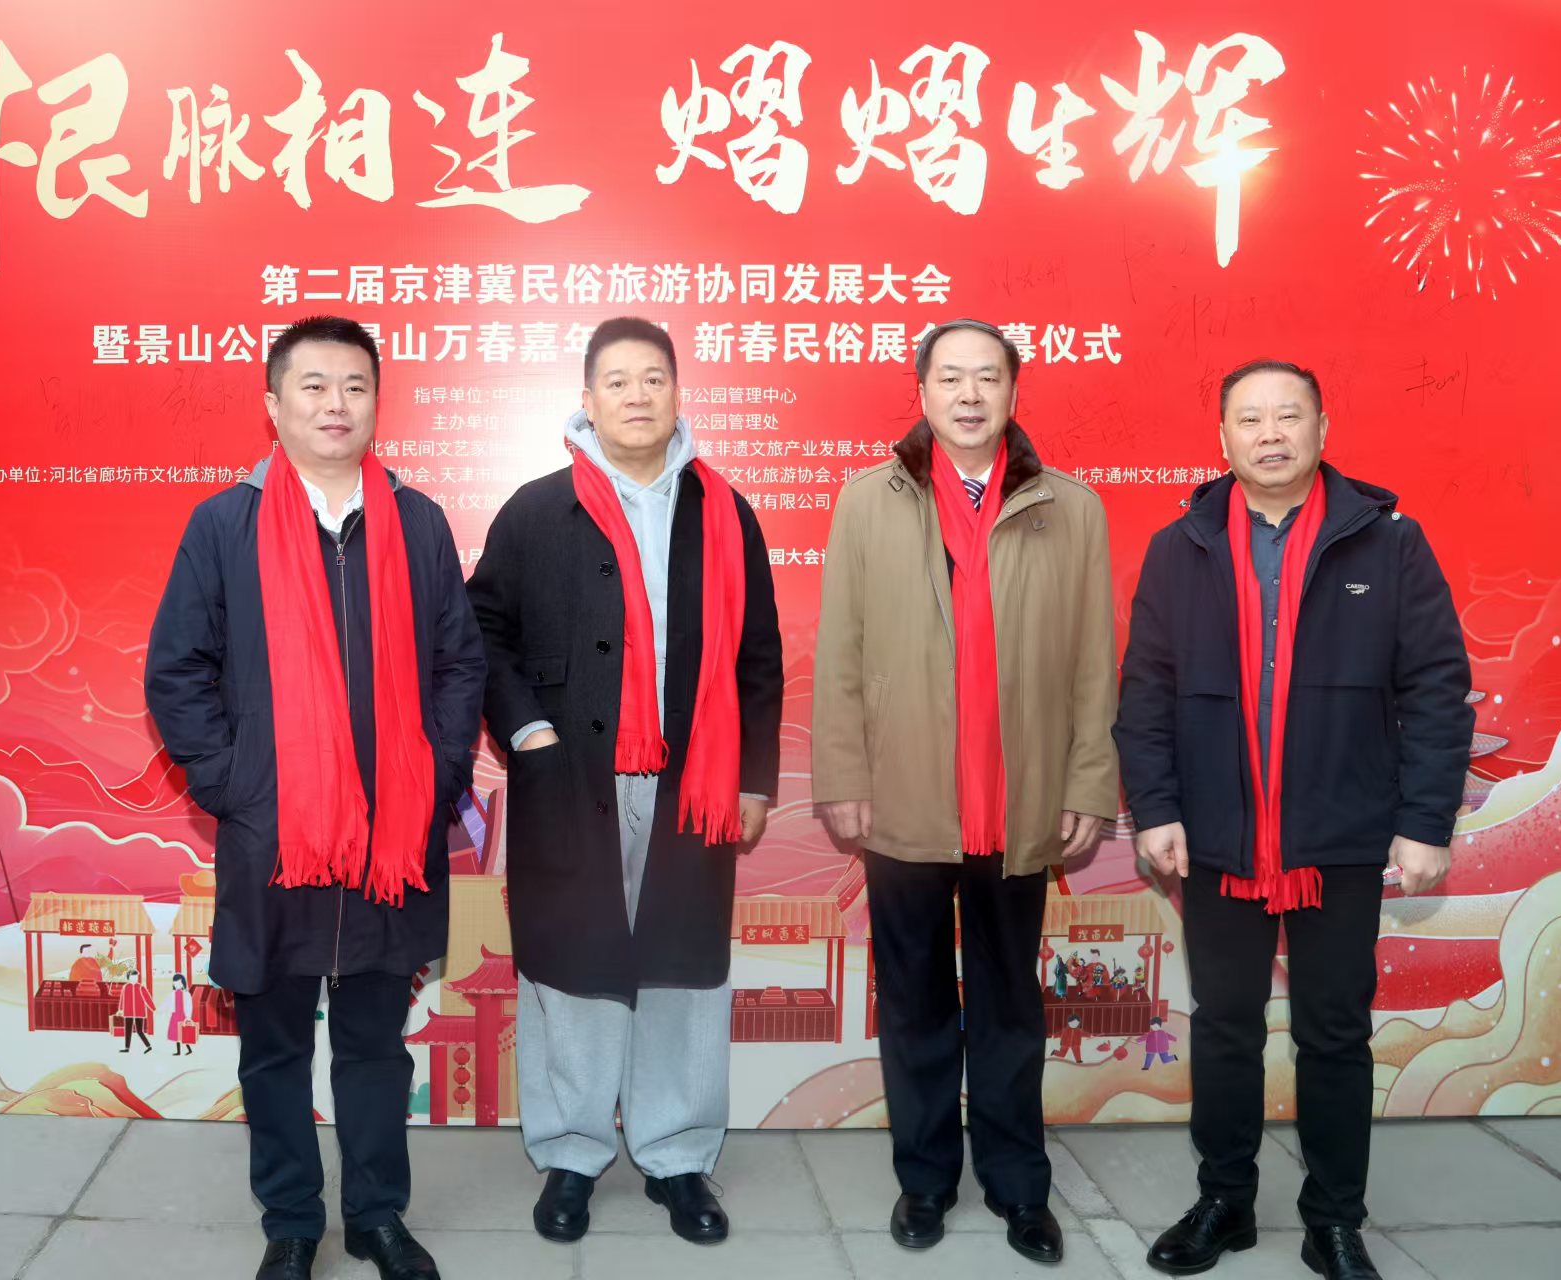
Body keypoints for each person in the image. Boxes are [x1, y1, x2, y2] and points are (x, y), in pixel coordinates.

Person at [1113, 359, 1472, 1280]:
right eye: (1250, 419)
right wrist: (1155, 808)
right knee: (1224, 1024)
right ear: (1222, 438)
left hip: (1339, 836)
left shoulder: (1388, 544)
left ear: (1321, 428)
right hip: (1217, 837)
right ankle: (1225, 1201)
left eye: (1288, 416)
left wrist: (1426, 821)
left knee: (1335, 1033)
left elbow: (1437, 688)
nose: (1269, 435)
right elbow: (1145, 691)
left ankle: (1334, 1220)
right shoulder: (1181, 546)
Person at [145, 316, 487, 1280]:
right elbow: (177, 670)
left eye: (355, 386)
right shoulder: (225, 525)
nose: (336, 405)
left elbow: (460, 662)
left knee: (377, 1047)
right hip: (274, 839)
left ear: (377, 402)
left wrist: (437, 773)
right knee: (274, 1049)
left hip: (392, 835)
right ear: (274, 404)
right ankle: (292, 1221)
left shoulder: (417, 522)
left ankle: (377, 1217)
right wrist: (236, 784)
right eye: (314, 386)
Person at [467, 316, 783, 1246]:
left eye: (653, 378)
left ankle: (677, 1157)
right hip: (572, 780)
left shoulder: (724, 511)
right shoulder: (537, 510)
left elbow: (758, 655)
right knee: (572, 969)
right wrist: (527, 730)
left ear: (678, 392)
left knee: (683, 968)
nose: (637, 395)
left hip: (695, 783)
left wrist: (753, 778)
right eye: (617, 380)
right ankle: (570, 1154)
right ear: (588, 398)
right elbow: (482, 631)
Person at [812, 319, 1119, 1263]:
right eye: (951, 378)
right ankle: (925, 1182)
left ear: (1014, 392)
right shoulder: (867, 502)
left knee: (1009, 1002)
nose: (971, 395)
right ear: (923, 392)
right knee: (913, 1000)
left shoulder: (1071, 508)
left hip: (1018, 799)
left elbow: (1092, 664)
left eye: (988, 377)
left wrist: (1087, 781)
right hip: (903, 794)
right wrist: (842, 777)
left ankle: (1020, 1187)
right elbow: (841, 653)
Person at [118, 969, 154, 1053]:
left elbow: (148, 999)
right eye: (133, 977)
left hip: (139, 1012)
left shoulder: (141, 987)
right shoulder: (125, 987)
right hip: (128, 1012)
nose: (135, 978)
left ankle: (148, 1046)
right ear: (129, 977)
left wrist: (153, 1008)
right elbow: (122, 999)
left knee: (139, 1030)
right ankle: (127, 1048)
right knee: (128, 1030)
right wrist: (120, 1009)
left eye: (136, 977)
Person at [165, 971, 197, 1056]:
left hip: (183, 1015)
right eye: (175, 983)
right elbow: (167, 1003)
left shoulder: (186, 994)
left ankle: (189, 1049)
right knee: (176, 1035)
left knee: (183, 1033)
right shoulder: (172, 994)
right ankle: (178, 1051)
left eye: (178, 983)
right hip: (175, 1015)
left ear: (183, 984)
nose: (176, 985)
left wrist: (188, 1017)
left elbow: (189, 1006)